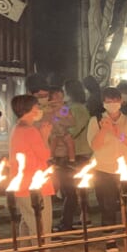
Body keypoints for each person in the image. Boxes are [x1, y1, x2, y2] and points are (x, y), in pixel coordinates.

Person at [88, 87, 127, 252]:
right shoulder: (96, 120)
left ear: (121, 102)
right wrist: (104, 130)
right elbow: (94, 145)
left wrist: (119, 134)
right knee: (107, 203)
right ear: (103, 103)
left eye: (115, 101)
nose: (112, 105)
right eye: (108, 101)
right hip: (104, 168)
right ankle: (110, 237)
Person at [8, 95, 56, 252]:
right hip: (35, 183)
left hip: (22, 182)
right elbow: (44, 155)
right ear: (30, 109)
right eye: (37, 106)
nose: (39, 110)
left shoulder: (17, 128)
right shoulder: (30, 131)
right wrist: (45, 135)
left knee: (28, 218)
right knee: (40, 219)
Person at [56, 80, 92, 232]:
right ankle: (85, 218)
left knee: (70, 190)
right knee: (79, 188)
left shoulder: (73, 109)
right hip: (82, 153)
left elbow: (67, 129)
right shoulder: (78, 109)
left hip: (75, 153)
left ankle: (67, 222)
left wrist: (58, 134)